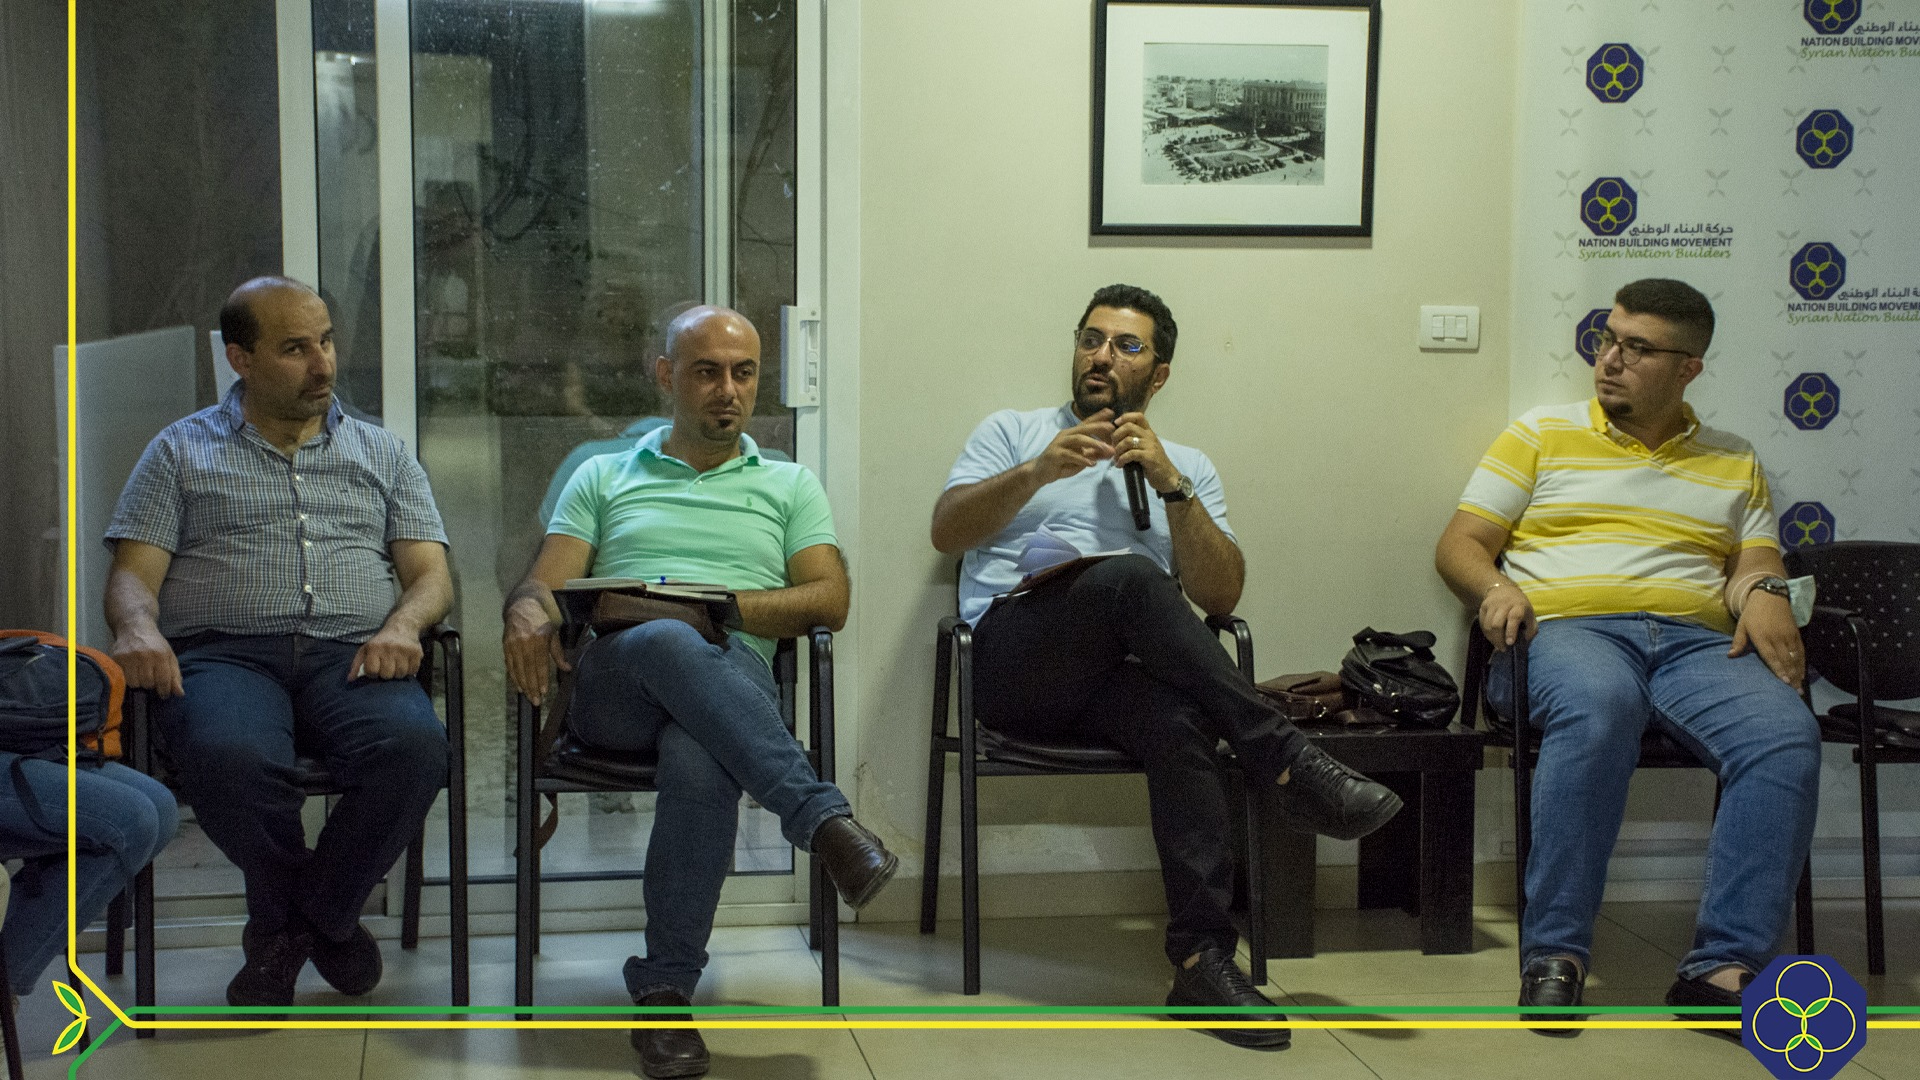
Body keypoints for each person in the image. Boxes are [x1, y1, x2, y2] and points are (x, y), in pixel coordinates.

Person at [929, 283, 1402, 1050]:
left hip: (1119, 683)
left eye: (1125, 345)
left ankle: (1200, 960)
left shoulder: (1186, 466)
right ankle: (1286, 761)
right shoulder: (1013, 432)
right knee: (1132, 577)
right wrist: (1038, 472)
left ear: (1159, 374)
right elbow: (947, 532)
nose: (1100, 356)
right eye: (1090, 339)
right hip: (1014, 665)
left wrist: (1171, 487)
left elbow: (1220, 596)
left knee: (1180, 717)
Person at [503, 305, 895, 1080]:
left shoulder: (788, 483)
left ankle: (664, 995)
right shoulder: (604, 474)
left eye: (744, 373)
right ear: (666, 376)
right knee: (665, 639)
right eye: (707, 372)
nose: (728, 390)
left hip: (729, 674)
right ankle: (822, 820)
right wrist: (524, 611)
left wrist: (718, 610)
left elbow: (830, 600)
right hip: (617, 680)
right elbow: (543, 584)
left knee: (698, 754)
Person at [1433, 278, 1820, 1030]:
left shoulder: (1734, 459)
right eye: (1608, 339)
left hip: (1695, 644)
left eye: (1637, 348)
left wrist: (1766, 589)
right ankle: (1556, 952)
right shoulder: (1541, 434)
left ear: (1688, 368)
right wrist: (1496, 588)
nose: (1610, 359)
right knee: (1600, 705)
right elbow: (1460, 544)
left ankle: (1722, 968)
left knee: (1784, 736)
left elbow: (1753, 563)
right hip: (1567, 634)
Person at [103, 276, 454, 1011]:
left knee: (416, 748)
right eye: (296, 349)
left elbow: (431, 576)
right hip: (224, 656)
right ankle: (320, 922)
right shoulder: (178, 450)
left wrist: (402, 624)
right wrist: (136, 628)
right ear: (242, 358)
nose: (323, 364)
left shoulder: (384, 452)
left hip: (353, 653)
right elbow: (133, 577)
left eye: (325, 341)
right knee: (229, 755)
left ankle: (297, 923)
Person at [0, 756, 176, 1000]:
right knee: (132, 821)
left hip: (46, 747)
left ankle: (8, 970)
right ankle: (6, 983)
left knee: (162, 809)